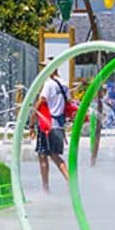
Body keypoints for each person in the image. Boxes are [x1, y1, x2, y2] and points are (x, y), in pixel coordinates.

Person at [29, 62, 69, 192]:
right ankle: (70, 183)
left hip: (47, 125)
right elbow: (68, 102)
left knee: (45, 155)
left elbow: (41, 102)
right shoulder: (64, 84)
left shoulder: (49, 84)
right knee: (53, 154)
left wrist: (31, 123)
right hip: (59, 124)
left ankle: (46, 189)